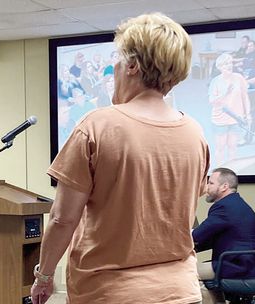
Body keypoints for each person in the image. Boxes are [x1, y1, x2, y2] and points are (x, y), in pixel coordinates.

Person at [31, 13, 210, 304]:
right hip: (180, 291)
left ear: (132, 66)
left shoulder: (97, 126)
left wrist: (44, 277)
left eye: (117, 58)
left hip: (110, 292)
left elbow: (63, 219)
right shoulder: (194, 132)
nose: (113, 67)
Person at [193, 168, 255, 303]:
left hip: (238, 265)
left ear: (224, 187)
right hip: (247, 263)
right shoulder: (235, 203)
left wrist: (183, 240)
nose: (206, 187)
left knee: (188, 274)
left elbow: (197, 235)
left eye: (211, 183)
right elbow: (211, 239)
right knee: (199, 271)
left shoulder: (224, 207)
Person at [208, 53, 251, 166]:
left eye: (230, 63)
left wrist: (248, 114)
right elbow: (212, 101)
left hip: (236, 118)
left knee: (232, 146)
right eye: (226, 63)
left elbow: (244, 97)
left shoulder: (239, 78)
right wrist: (225, 93)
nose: (229, 65)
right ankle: (220, 171)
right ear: (220, 67)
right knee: (220, 147)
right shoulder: (215, 81)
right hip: (220, 119)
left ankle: (232, 172)